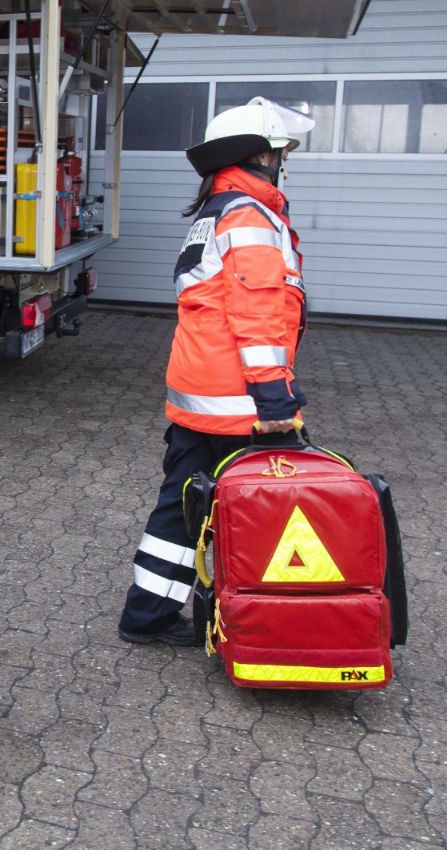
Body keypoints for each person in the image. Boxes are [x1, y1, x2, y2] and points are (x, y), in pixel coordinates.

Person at [117, 97, 312, 647]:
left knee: (181, 509)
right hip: (240, 403)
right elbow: (258, 315)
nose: (284, 162)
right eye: (279, 152)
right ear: (260, 157)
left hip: (202, 397)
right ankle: (275, 616)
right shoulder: (249, 216)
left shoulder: (217, 211)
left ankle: (148, 615)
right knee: (276, 505)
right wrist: (276, 402)